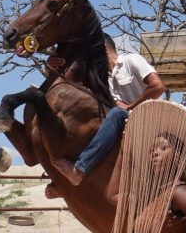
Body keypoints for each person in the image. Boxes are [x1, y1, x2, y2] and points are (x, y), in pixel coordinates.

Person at [51, 34, 164, 187]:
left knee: (116, 114)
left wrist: (130, 107)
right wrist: (51, 67)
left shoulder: (131, 60)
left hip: (153, 121)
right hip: (127, 125)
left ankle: (80, 169)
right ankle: (61, 184)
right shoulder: (104, 80)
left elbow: (158, 87)